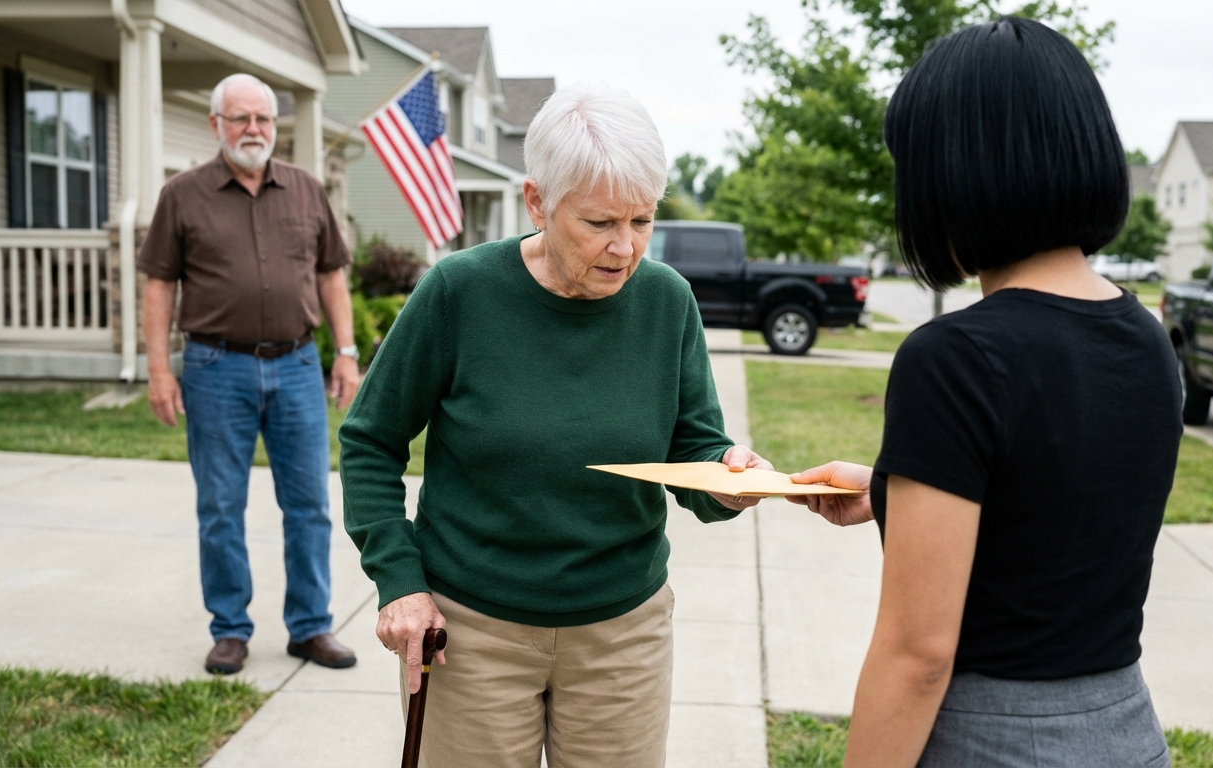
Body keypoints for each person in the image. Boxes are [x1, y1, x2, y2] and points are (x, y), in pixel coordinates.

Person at [339, 80, 771, 768]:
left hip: (622, 632)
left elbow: (693, 444)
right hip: (471, 631)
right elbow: (370, 440)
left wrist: (728, 479)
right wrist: (400, 580)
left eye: (641, 221)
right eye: (600, 223)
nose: (625, 248)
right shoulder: (459, 292)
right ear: (537, 201)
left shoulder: (667, 301)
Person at [788, 17, 1182, 767]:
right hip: (1127, 728)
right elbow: (1056, 511)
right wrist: (894, 488)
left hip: (994, 738)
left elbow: (918, 654)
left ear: (955, 173)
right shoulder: (1145, 337)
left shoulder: (955, 357)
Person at [139, 73, 360, 675]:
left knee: (310, 504)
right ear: (216, 125)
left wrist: (345, 352)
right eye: (240, 119)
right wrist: (159, 370)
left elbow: (331, 275)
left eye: (262, 118)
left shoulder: (307, 191)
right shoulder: (181, 195)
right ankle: (230, 629)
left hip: (294, 366)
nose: (254, 129)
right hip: (215, 368)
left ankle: (311, 626)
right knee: (220, 506)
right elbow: (159, 284)